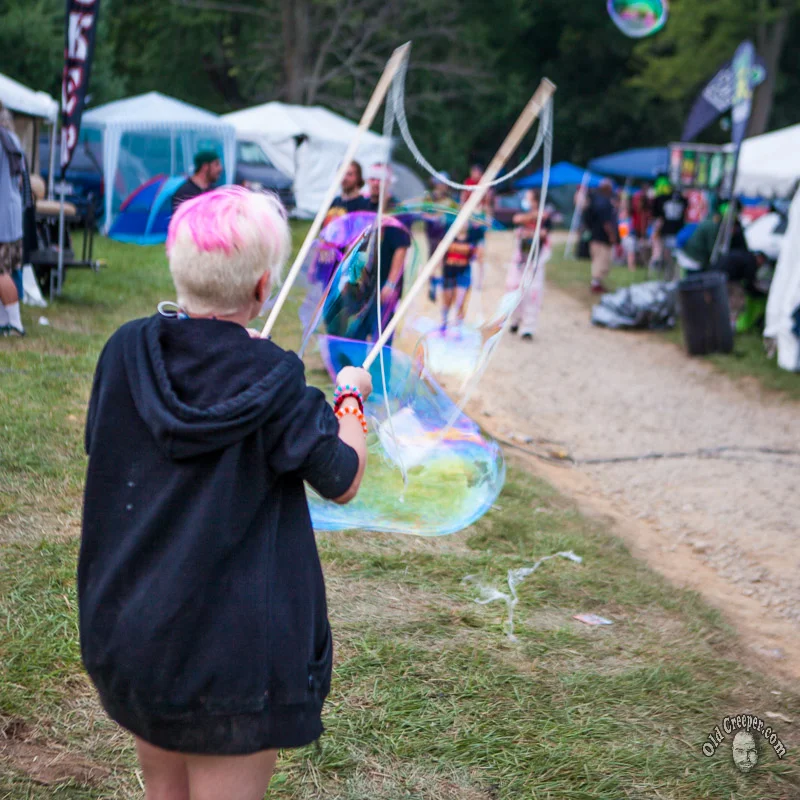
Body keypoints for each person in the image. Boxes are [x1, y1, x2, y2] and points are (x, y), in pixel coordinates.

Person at [78, 186, 373, 799]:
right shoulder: (277, 381)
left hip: (138, 627)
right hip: (235, 659)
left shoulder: (126, 350)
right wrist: (350, 398)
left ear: (177, 267)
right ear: (263, 287)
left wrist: (245, 364)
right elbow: (343, 477)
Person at [507, 189, 551, 340]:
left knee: (532, 292)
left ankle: (528, 327)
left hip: (536, 257)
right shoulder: (525, 212)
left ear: (536, 201)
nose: (525, 201)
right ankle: (516, 319)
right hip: (520, 257)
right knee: (514, 287)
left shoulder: (545, 217)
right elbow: (516, 220)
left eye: (528, 198)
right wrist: (532, 216)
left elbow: (544, 233)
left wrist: (531, 231)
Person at [0, 104, 25, 336]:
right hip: (13, 214)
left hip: (2, 216)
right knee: (7, 269)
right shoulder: (12, 138)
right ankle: (5, 321)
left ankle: (15, 324)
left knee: (1, 272)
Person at [440, 222, 477, 334]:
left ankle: (458, 329)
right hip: (449, 272)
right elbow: (441, 254)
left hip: (464, 273)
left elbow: (475, 255)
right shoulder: (449, 236)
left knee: (460, 303)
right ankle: (444, 326)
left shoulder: (472, 238)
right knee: (447, 300)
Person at [583, 179, 618, 293]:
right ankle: (596, 284)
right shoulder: (604, 202)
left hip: (594, 236)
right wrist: (612, 235)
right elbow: (606, 222)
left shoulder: (594, 200)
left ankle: (597, 283)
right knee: (601, 261)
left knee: (598, 260)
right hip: (601, 238)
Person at [650, 177, 687, 274]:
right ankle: (669, 271)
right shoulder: (681, 198)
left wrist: (656, 231)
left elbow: (658, 219)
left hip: (667, 230)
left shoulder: (661, 199)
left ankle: (663, 270)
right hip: (678, 231)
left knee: (665, 253)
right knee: (673, 255)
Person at [323, 160, 371, 226]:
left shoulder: (364, 204)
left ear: (358, 177)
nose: (344, 178)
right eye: (342, 174)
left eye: (349, 174)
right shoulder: (335, 201)